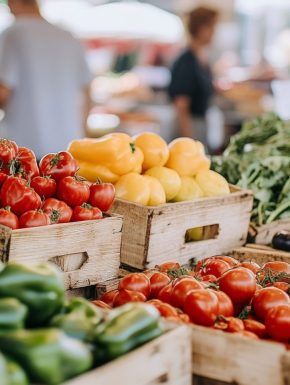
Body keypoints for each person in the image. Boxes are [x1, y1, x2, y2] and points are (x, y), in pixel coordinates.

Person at [0, 0, 92, 158]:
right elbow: (88, 93)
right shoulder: (68, 36)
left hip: (24, 150)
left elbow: (3, 92)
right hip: (67, 149)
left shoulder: (14, 33)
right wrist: (82, 134)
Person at [168, 7, 219, 146]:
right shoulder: (186, 61)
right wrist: (188, 141)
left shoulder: (201, 57)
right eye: (212, 27)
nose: (214, 33)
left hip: (201, 124)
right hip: (189, 126)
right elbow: (181, 104)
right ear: (201, 29)